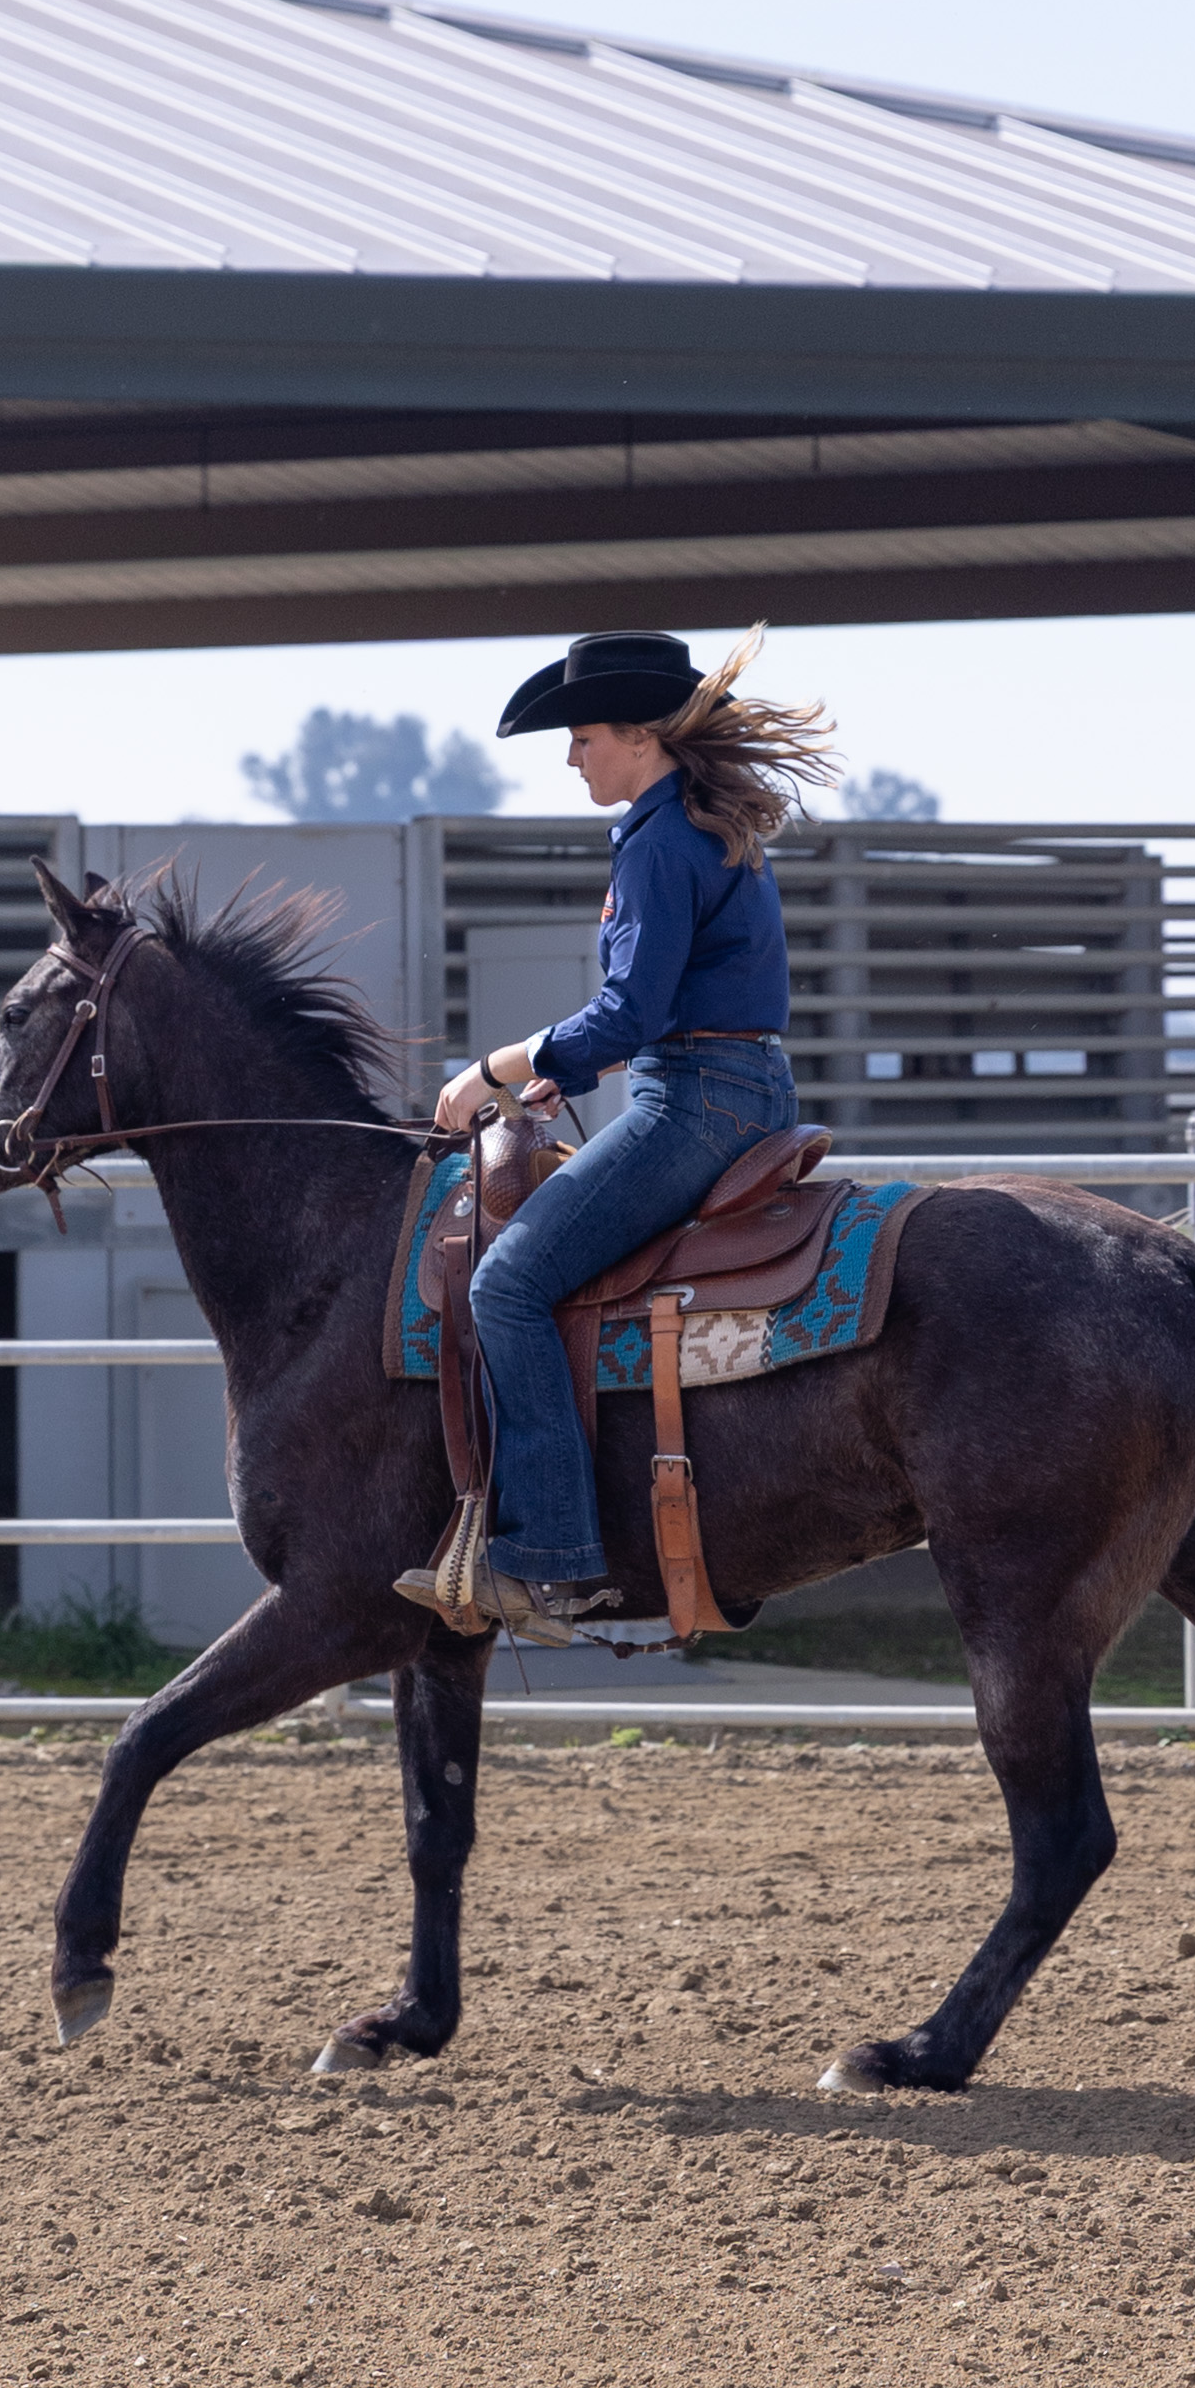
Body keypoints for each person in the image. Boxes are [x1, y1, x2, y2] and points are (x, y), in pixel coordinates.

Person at [394, 626, 835, 1643]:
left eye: (582, 735)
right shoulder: (698, 825)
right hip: (732, 1084)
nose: (569, 756)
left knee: (506, 1284)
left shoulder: (658, 842)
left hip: (692, 1099)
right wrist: (560, 1072)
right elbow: (657, 1010)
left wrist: (493, 1071)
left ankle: (550, 1557)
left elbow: (631, 1013)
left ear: (638, 736)